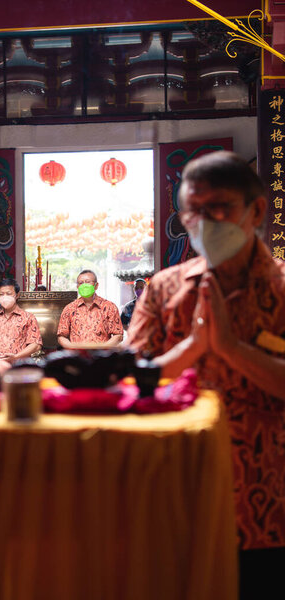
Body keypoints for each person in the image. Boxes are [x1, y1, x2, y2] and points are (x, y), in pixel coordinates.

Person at [126, 151, 285, 600]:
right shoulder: (164, 289)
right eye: (193, 211)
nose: (204, 222)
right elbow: (130, 383)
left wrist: (233, 349)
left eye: (219, 208)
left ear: (256, 210)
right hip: (176, 497)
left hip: (269, 503)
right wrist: (193, 347)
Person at [0, 278, 42, 363]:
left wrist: (16, 357)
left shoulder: (28, 318)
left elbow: (36, 344)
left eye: (9, 294)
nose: (5, 297)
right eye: (1, 294)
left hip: (19, 367)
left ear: (17, 295)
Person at [57, 269, 123, 348]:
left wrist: (103, 348)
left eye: (88, 282)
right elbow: (61, 336)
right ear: (77, 286)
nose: (84, 285)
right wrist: (72, 348)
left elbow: (118, 335)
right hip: (77, 356)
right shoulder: (69, 308)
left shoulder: (109, 307)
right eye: (81, 283)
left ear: (96, 285)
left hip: (102, 356)